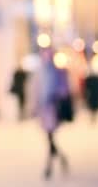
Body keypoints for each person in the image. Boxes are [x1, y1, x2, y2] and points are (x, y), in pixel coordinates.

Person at [29, 49, 70, 180]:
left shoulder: (58, 73)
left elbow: (64, 91)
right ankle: (61, 159)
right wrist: (34, 107)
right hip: (44, 110)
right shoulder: (40, 73)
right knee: (50, 138)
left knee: (50, 138)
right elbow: (35, 91)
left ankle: (49, 166)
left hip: (53, 109)